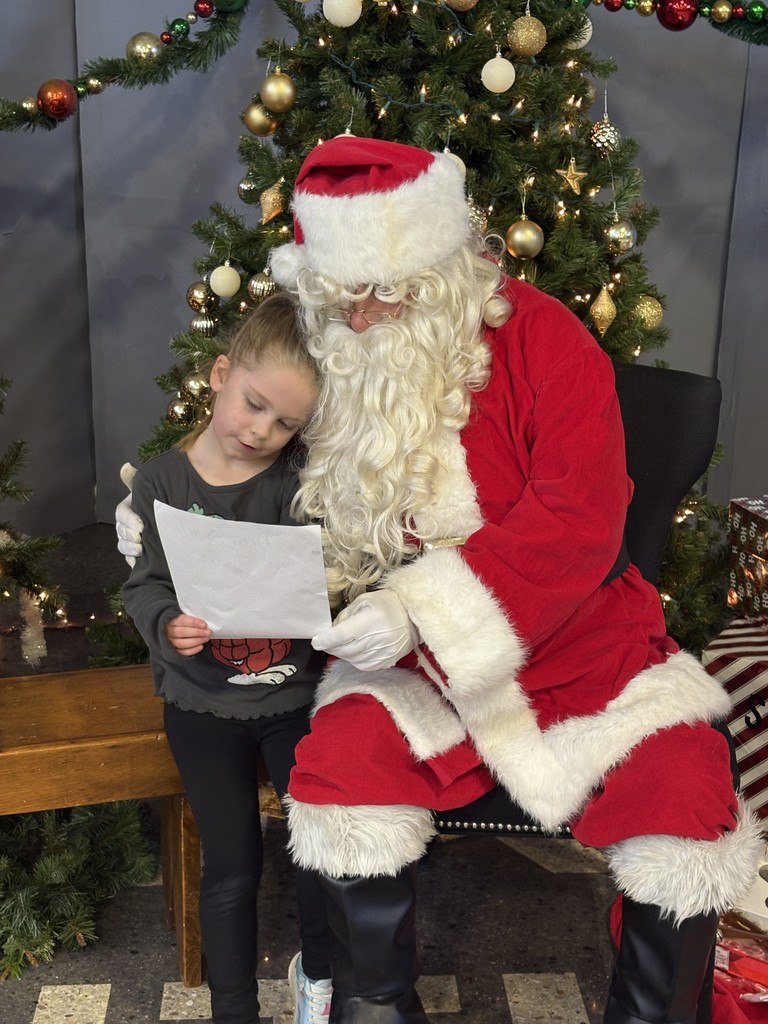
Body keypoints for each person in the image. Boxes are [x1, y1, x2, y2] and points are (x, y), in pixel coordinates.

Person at [118, 136, 762, 1024]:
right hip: (405, 670)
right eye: (347, 297)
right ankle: (373, 1009)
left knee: (687, 780)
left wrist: (421, 609)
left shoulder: (543, 337)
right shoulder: (328, 355)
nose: (367, 318)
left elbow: (580, 518)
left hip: (580, 640)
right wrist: (172, 535)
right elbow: (251, 468)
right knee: (340, 771)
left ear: (442, 266)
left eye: (389, 292)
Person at [121, 292, 332, 1024]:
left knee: (320, 854)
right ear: (218, 374)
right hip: (201, 701)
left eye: (286, 423)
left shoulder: (295, 479)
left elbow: (330, 572)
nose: (262, 431)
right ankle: (234, 1009)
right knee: (232, 866)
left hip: (291, 698)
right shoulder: (161, 482)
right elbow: (143, 583)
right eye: (253, 405)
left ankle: (323, 978)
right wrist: (167, 622)